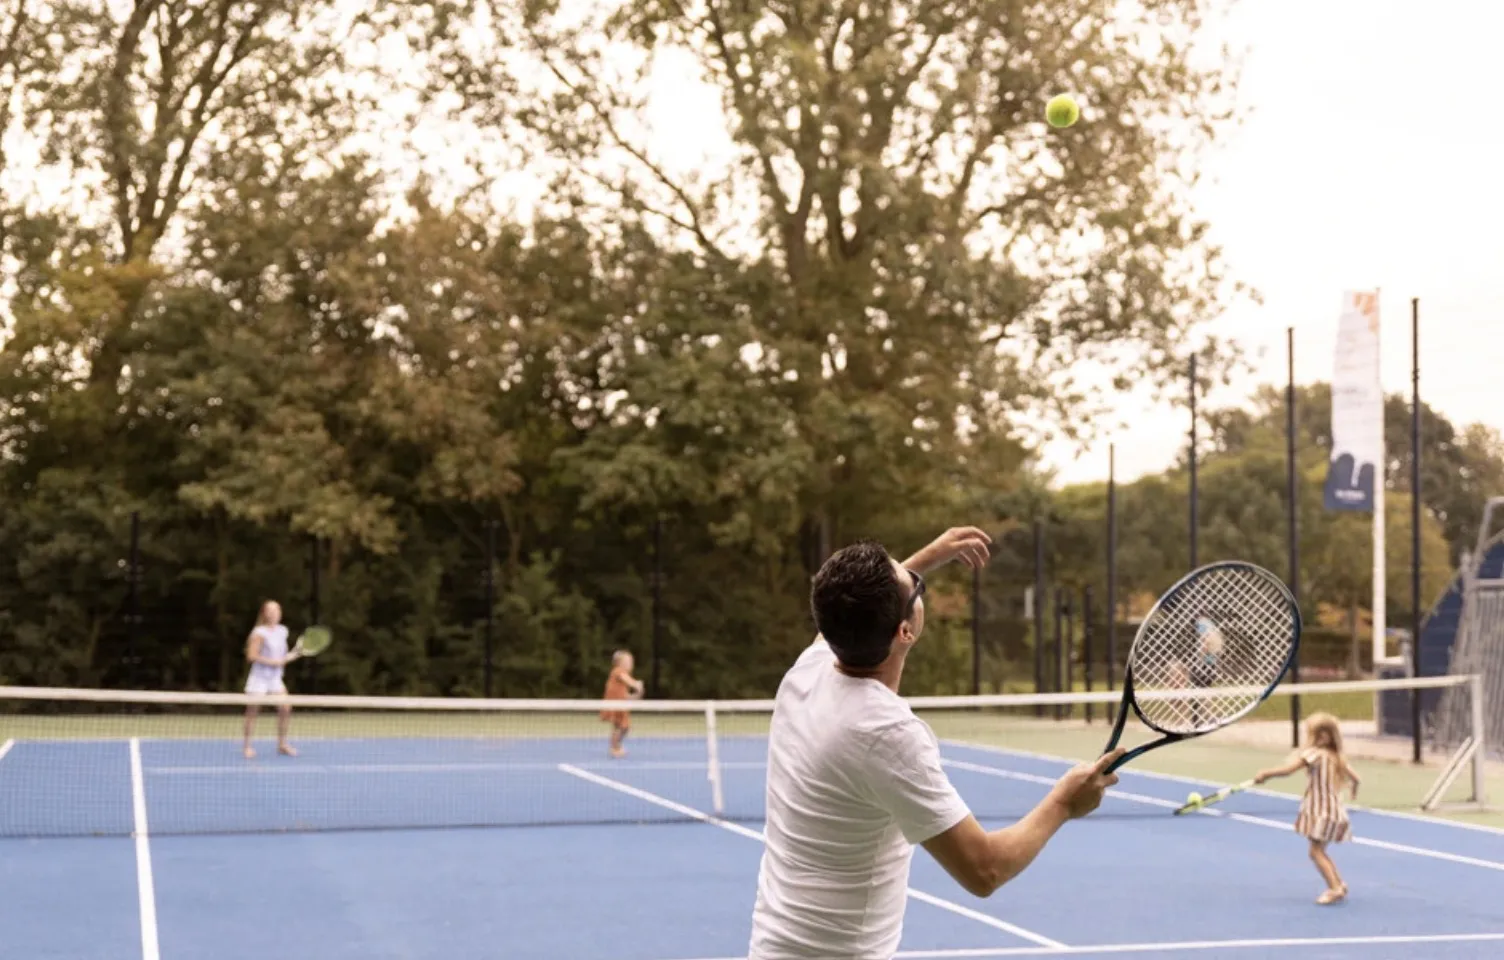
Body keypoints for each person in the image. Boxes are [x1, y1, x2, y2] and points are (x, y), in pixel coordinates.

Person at [748, 528, 1122, 959]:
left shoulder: (807, 671)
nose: (915, 577)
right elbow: (985, 870)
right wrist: (1064, 803)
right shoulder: (885, 734)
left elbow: (852, 609)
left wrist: (928, 557)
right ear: (905, 631)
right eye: (914, 586)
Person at [1252, 712, 1361, 905]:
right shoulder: (1337, 757)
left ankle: (1334, 888)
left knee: (1316, 852)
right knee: (1319, 850)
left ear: (1322, 737)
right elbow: (1356, 779)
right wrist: (1354, 790)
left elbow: (1288, 770)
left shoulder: (1314, 755)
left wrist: (1266, 774)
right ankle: (1339, 884)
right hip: (1334, 811)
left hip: (1321, 812)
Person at [241, 600, 300, 759]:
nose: (275, 613)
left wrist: (290, 657)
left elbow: (281, 656)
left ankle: (282, 744)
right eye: (271, 611)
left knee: (286, 708)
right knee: (252, 712)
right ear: (265, 614)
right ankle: (247, 747)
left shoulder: (283, 631)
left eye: (277, 610)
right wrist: (273, 662)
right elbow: (251, 656)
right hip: (259, 678)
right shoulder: (259, 632)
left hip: (275, 679)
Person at [600, 650, 644, 758]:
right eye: (628, 661)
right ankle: (614, 748)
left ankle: (616, 747)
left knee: (621, 727)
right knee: (622, 727)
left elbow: (625, 696)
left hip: (620, 705)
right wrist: (637, 684)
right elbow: (630, 682)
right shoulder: (618, 671)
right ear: (620, 663)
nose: (631, 664)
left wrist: (637, 695)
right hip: (615, 705)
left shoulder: (622, 679)